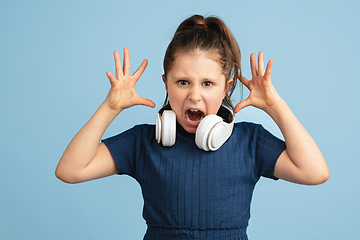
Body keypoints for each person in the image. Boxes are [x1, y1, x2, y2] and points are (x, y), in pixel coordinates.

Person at [55, 14, 329, 240]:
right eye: (183, 82)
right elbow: (70, 170)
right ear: (166, 83)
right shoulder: (143, 142)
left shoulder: (250, 142)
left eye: (207, 83)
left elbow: (314, 172)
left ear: (226, 87)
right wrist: (110, 108)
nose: (194, 95)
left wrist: (275, 106)